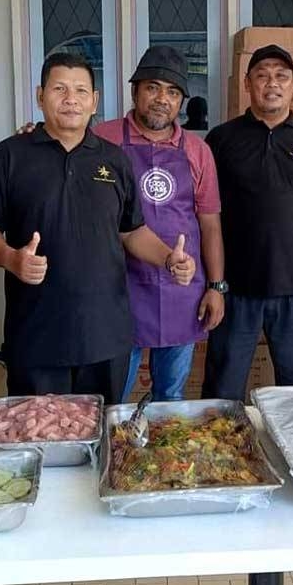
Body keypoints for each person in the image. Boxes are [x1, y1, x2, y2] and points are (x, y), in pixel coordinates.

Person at [0, 53, 196, 404]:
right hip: (35, 331)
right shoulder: (8, 156)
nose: (70, 99)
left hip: (105, 333)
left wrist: (169, 258)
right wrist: (11, 258)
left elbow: (131, 231)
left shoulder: (114, 160)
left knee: (100, 433)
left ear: (94, 101)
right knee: (38, 430)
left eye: (81, 90)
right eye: (59, 88)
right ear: (40, 95)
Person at [201, 44, 293, 400]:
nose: (272, 84)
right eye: (262, 75)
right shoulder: (221, 139)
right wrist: (213, 283)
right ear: (248, 84)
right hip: (235, 288)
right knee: (223, 388)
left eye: (281, 76)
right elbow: (206, 215)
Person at [90, 46, 224, 402]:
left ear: (181, 101)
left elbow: (210, 224)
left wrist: (216, 286)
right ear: (135, 91)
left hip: (181, 285)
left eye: (173, 91)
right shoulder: (103, 139)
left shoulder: (197, 151)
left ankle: (165, 458)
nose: (162, 99)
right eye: (153, 87)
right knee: (112, 395)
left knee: (172, 396)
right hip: (117, 288)